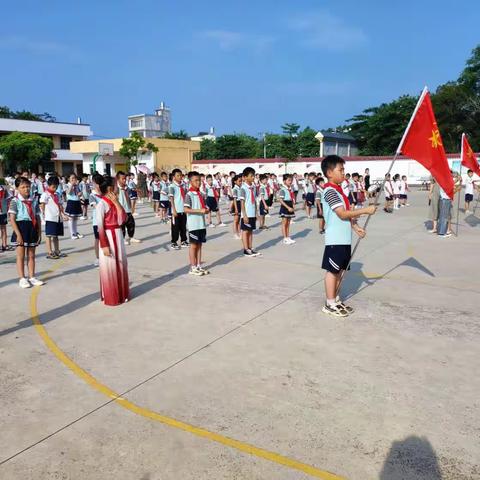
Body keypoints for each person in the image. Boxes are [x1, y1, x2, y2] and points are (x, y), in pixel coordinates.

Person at [320, 155, 376, 317]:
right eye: (341, 170)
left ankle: (335, 299)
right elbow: (342, 214)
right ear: (330, 172)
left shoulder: (339, 192)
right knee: (332, 271)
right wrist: (365, 210)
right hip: (335, 239)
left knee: (340, 272)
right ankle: (330, 303)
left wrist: (356, 227)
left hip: (344, 239)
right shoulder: (330, 191)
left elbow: (346, 217)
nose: (344, 173)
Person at [96, 175, 129, 306]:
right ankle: (111, 296)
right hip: (108, 236)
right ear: (110, 189)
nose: (118, 188)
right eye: (115, 186)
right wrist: (104, 245)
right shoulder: (101, 204)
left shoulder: (115, 203)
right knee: (109, 267)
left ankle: (121, 294)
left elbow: (123, 219)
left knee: (120, 265)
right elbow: (100, 227)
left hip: (118, 234)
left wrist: (117, 203)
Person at [8, 177, 44, 288]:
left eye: (28, 186)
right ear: (17, 188)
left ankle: (32, 277)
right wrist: (18, 234)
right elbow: (12, 219)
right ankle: (22, 278)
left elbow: (37, 216)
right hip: (21, 227)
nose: (26, 189)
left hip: (32, 227)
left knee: (32, 255)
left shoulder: (33, 200)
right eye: (23, 187)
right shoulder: (15, 201)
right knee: (21, 256)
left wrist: (39, 232)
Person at [184, 171, 210, 276]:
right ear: (190, 182)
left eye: (199, 180)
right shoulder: (189, 195)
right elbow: (186, 209)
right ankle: (193, 267)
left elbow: (204, 207)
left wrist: (206, 210)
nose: (198, 182)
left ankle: (199, 265)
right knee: (193, 246)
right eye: (195, 180)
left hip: (201, 224)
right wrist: (200, 211)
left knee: (199, 245)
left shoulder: (201, 194)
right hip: (193, 224)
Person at [39, 175, 68, 259]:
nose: (54, 188)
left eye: (56, 186)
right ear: (48, 185)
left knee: (56, 235)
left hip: (57, 217)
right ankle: (49, 252)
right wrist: (43, 215)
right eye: (53, 187)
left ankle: (57, 250)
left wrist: (63, 214)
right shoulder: (45, 194)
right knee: (49, 235)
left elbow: (60, 205)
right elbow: (42, 204)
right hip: (50, 217)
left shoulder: (57, 194)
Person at [239, 167, 261, 257]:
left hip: (252, 213)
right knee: (245, 231)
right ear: (245, 177)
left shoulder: (254, 187)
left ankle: (250, 248)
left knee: (251, 231)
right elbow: (242, 203)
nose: (253, 178)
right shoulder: (243, 188)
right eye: (251, 176)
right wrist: (244, 215)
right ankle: (246, 249)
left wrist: (256, 213)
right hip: (246, 214)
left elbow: (255, 201)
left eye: (254, 176)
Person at [116, 171, 141, 245]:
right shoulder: (116, 188)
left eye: (125, 179)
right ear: (118, 179)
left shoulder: (126, 187)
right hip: (120, 210)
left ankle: (131, 237)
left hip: (127, 209)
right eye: (122, 179)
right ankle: (122, 238)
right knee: (122, 225)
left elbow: (130, 193)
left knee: (131, 223)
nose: (124, 180)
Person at [169, 168, 188, 250]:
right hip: (176, 210)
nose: (180, 177)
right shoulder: (172, 186)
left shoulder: (183, 186)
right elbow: (171, 199)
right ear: (174, 177)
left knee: (183, 227)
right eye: (178, 175)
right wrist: (173, 210)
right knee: (175, 227)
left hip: (183, 210)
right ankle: (174, 242)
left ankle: (184, 240)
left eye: (181, 175)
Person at [89, 174, 103, 266]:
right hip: (97, 221)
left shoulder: (105, 194)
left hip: (106, 221)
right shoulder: (92, 195)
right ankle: (98, 258)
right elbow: (95, 207)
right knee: (98, 239)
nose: (96, 185)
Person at [65, 173, 84, 239]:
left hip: (77, 201)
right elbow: (68, 192)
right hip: (71, 202)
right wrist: (72, 185)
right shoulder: (67, 185)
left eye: (75, 178)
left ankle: (75, 232)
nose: (74, 179)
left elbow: (79, 193)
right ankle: (72, 233)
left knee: (75, 218)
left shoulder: (76, 186)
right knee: (71, 218)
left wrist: (80, 193)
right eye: (72, 178)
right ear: (68, 179)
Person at [278, 174, 296, 244]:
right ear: (284, 181)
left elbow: (292, 197)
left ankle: (288, 237)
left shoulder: (290, 189)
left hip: (290, 204)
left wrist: (293, 205)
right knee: (284, 223)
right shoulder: (283, 189)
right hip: (285, 206)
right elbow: (280, 200)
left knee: (288, 223)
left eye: (291, 180)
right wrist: (288, 207)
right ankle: (285, 238)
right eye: (289, 180)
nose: (290, 182)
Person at [0, 180, 13, 251]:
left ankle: (4, 245)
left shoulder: (3, 188)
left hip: (3, 212)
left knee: (3, 229)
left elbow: (9, 198)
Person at [231, 175, 242, 239]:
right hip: (236, 204)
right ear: (235, 181)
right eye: (239, 181)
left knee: (239, 220)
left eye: (241, 181)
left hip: (240, 203)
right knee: (236, 220)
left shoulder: (240, 187)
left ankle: (239, 232)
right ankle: (235, 233)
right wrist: (236, 209)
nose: (240, 182)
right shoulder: (235, 189)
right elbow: (234, 200)